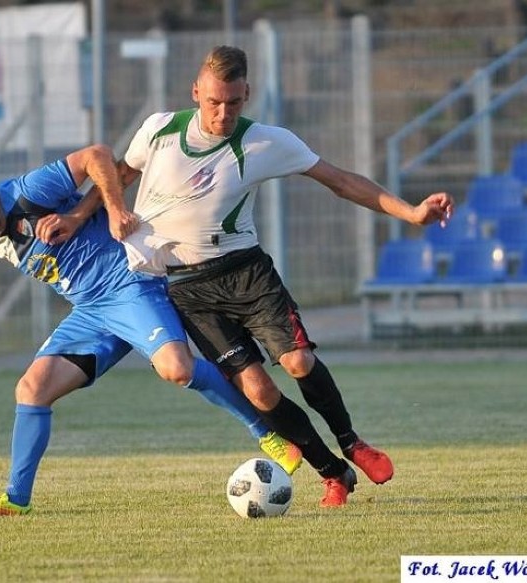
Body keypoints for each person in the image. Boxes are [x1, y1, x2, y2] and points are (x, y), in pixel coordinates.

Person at [107, 45, 455, 507]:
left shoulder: (266, 142)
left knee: (298, 363)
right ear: (196, 92)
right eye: (213, 102)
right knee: (258, 388)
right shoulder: (158, 130)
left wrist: (411, 213)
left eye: (233, 102)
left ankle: (352, 442)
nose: (223, 113)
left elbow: (341, 180)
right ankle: (333, 473)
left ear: (247, 93)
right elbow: (118, 175)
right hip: (189, 289)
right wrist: (86, 214)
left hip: (246, 273)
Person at [0, 146, 303, 518]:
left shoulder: (29, 193)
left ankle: (267, 432)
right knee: (31, 389)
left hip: (129, 284)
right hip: (91, 311)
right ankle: (16, 498)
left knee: (178, 369)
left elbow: (97, 155)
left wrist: (106, 210)